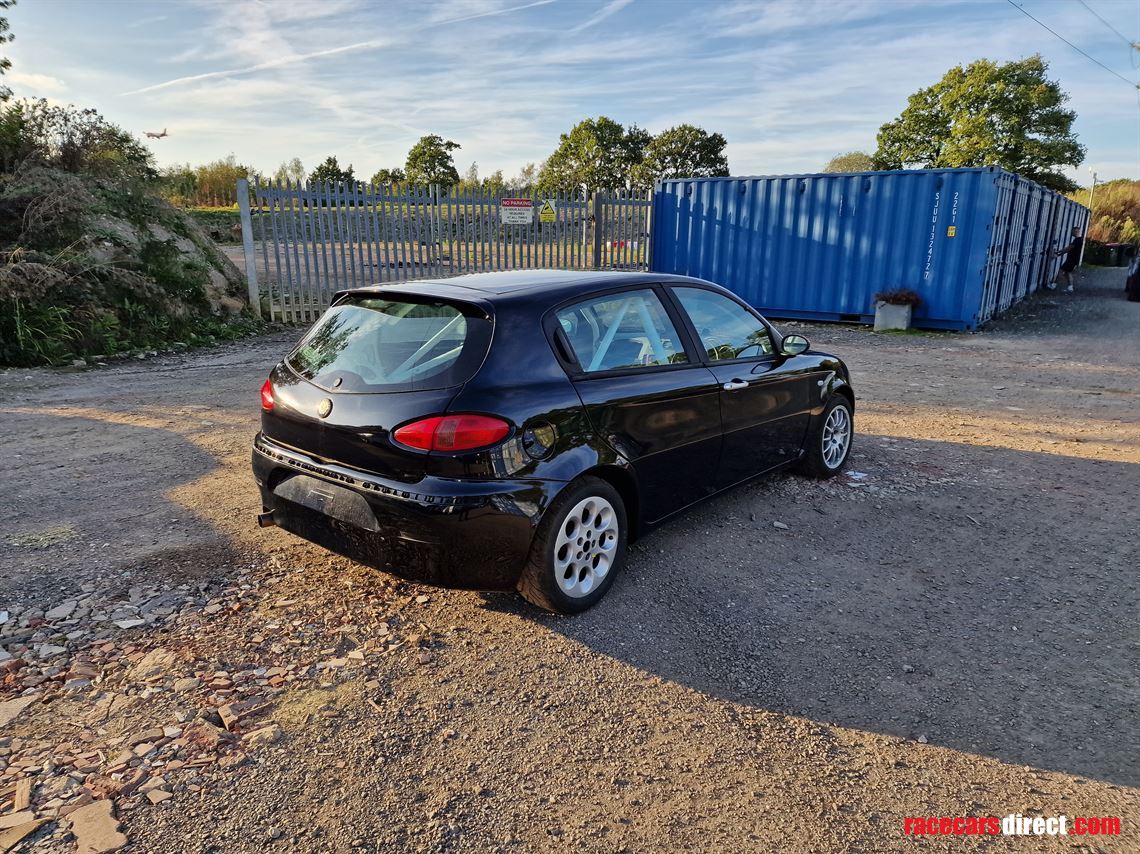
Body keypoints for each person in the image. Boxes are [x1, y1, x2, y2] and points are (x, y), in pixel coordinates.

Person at [1049, 227, 1083, 293]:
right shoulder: (1079, 240)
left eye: (1072, 231)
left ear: (1076, 231)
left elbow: (1068, 249)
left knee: (1061, 271)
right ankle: (1070, 288)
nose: (1071, 232)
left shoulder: (1077, 240)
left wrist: (1058, 253)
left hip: (1071, 260)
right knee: (1068, 272)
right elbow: (1068, 249)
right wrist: (1059, 253)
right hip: (1073, 260)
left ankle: (1053, 285)